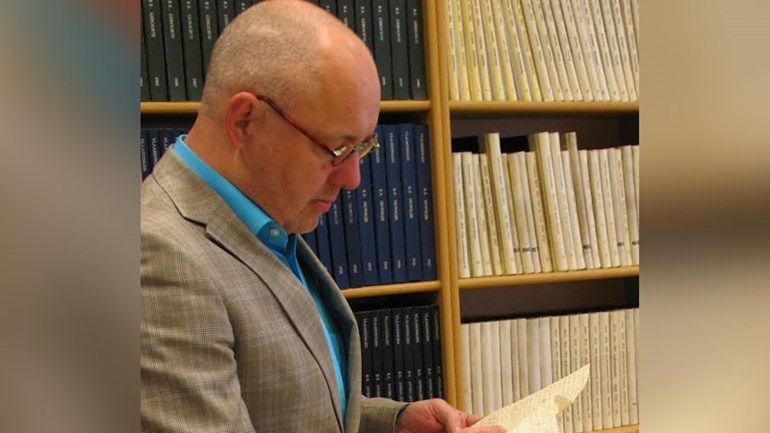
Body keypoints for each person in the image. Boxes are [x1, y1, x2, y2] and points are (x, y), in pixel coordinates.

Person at [140, 1, 505, 433]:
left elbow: (281, 404)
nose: (352, 178)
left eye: (362, 149)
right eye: (336, 149)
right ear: (244, 120)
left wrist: (393, 423)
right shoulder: (157, 257)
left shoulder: (263, 222)